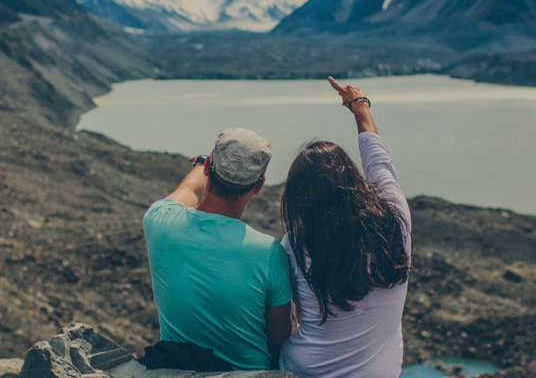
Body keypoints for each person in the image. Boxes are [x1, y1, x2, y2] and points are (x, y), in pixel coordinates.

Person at [279, 77, 413, 378]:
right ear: (352, 179)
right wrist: (359, 107)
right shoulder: (396, 221)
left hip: (305, 371)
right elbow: (379, 161)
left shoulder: (297, 246)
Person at [143, 128, 292, 371]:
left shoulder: (159, 222)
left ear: (207, 167)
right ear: (259, 185)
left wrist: (201, 164)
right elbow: (278, 339)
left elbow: (189, 191)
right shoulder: (269, 252)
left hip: (176, 366)